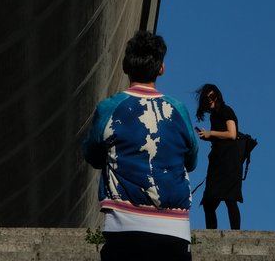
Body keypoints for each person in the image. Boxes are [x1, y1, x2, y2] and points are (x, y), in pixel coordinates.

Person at [82, 30, 199, 260]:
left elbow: (92, 154)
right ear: (161, 68)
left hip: (124, 226)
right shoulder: (178, 110)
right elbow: (192, 159)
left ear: (125, 66)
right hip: (174, 229)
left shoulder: (109, 108)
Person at [195, 83, 242, 230]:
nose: (210, 99)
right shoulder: (214, 116)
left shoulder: (226, 110)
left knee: (230, 199)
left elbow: (232, 134)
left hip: (229, 162)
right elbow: (222, 137)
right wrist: (208, 137)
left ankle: (236, 236)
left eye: (212, 96)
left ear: (218, 96)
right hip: (218, 162)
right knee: (209, 203)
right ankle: (212, 235)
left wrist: (211, 133)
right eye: (206, 97)